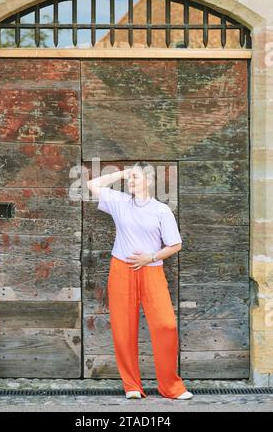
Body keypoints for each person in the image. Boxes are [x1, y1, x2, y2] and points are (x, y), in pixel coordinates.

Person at [87, 161, 193, 401]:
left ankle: (171, 387)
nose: (131, 181)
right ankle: (131, 385)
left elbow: (176, 245)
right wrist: (124, 172)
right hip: (121, 270)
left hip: (152, 270)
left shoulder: (161, 210)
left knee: (166, 325)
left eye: (136, 177)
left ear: (150, 181)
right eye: (130, 178)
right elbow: (92, 184)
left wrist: (150, 257)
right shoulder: (120, 202)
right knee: (124, 329)